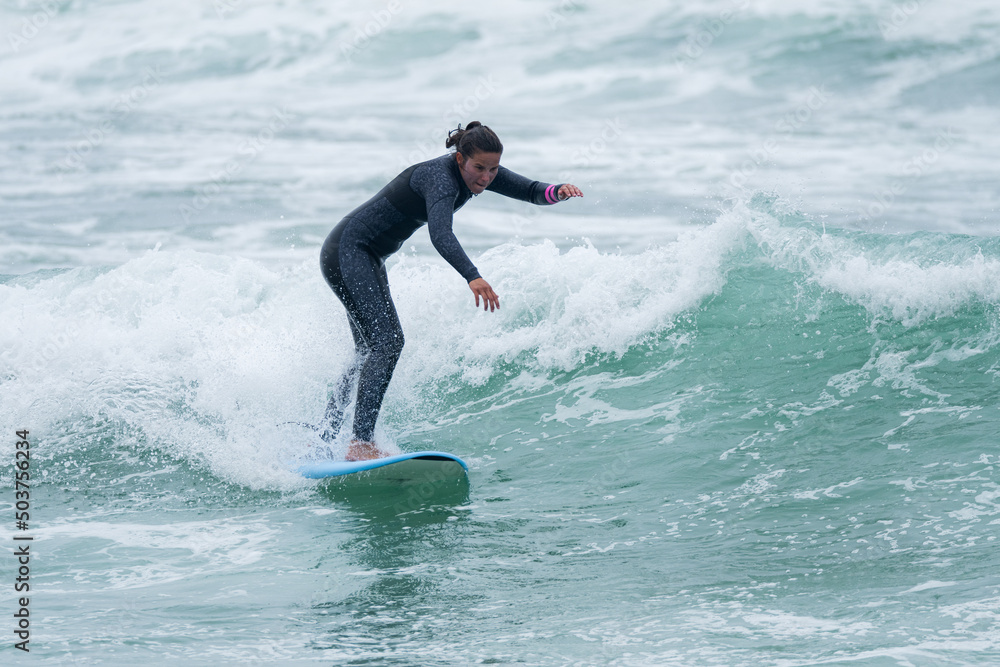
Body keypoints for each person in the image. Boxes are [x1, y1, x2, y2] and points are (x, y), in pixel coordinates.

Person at [319, 122, 584, 461]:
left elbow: (530, 190)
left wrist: (557, 190)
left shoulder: (479, 169)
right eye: (480, 169)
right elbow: (441, 234)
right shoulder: (441, 179)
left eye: (493, 169)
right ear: (460, 160)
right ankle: (359, 444)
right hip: (348, 252)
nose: (487, 177)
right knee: (387, 343)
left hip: (362, 255)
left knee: (369, 350)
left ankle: (326, 435)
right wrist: (472, 276)